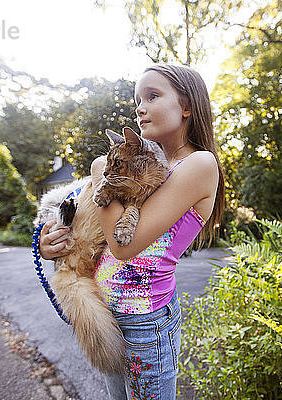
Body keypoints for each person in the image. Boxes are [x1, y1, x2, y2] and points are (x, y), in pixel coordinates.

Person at [39, 63, 225, 400]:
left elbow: (125, 245)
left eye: (152, 96)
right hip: (106, 308)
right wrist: (53, 242)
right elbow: (97, 228)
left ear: (186, 107)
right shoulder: (144, 166)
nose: (140, 107)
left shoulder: (198, 164)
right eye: (137, 99)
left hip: (144, 321)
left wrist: (99, 171)